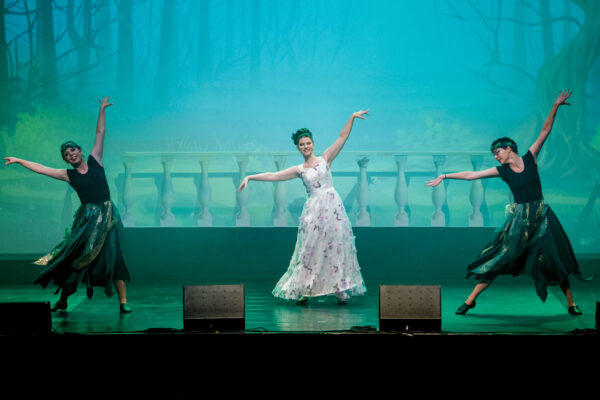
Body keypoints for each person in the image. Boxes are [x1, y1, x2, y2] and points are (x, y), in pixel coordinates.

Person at [426, 90, 588, 315]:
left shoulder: (530, 158)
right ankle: (471, 299)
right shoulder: (502, 171)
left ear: (509, 148)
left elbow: (545, 130)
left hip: (542, 217)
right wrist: (444, 176)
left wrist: (555, 106)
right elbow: (472, 175)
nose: (495, 155)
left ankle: (571, 304)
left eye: (497, 151)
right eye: (494, 153)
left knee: (553, 259)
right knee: (501, 258)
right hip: (520, 221)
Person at [3, 97, 131, 313]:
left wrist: (101, 110)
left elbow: (100, 134)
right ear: (66, 159)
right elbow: (41, 168)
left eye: (73, 151)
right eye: (66, 154)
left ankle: (123, 302)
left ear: (80, 151)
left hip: (107, 217)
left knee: (114, 258)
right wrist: (19, 160)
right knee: (76, 259)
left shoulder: (95, 160)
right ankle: (63, 300)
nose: (70, 154)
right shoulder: (67, 175)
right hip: (88, 221)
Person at [238, 111, 369, 305]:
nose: (306, 146)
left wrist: (351, 117)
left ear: (313, 144)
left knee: (336, 247)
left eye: (308, 143)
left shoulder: (325, 159)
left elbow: (342, 137)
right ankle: (305, 289)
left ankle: (340, 289)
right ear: (298, 148)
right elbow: (273, 175)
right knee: (311, 249)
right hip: (314, 212)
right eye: (302, 144)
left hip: (333, 209)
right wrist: (250, 177)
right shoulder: (299, 170)